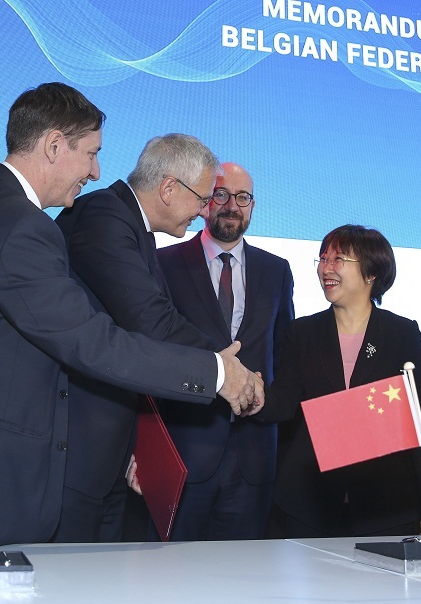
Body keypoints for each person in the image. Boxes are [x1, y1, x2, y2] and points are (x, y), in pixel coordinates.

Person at [0, 83, 259, 550]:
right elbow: (93, 342)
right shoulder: (21, 226)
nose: (95, 171)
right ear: (54, 145)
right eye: (91, 154)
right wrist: (216, 372)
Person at [53, 135, 264, 542]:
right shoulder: (105, 216)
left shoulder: (135, 230)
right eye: (202, 199)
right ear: (169, 188)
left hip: (108, 452)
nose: (204, 211)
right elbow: (149, 321)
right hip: (77, 449)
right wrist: (225, 368)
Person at [259, 225, 421, 538]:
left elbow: (418, 420)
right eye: (323, 259)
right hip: (310, 501)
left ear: (371, 273)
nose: (326, 268)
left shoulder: (402, 334)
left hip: (385, 504)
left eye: (338, 259)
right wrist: (254, 394)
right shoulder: (303, 332)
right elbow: (284, 402)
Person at [154, 162, 294, 540]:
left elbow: (283, 356)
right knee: (172, 570)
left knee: (244, 572)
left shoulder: (277, 271)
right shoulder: (164, 264)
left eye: (242, 197)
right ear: (204, 202)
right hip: (185, 452)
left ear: (253, 206)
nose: (232, 205)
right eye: (221, 194)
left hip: (254, 460)